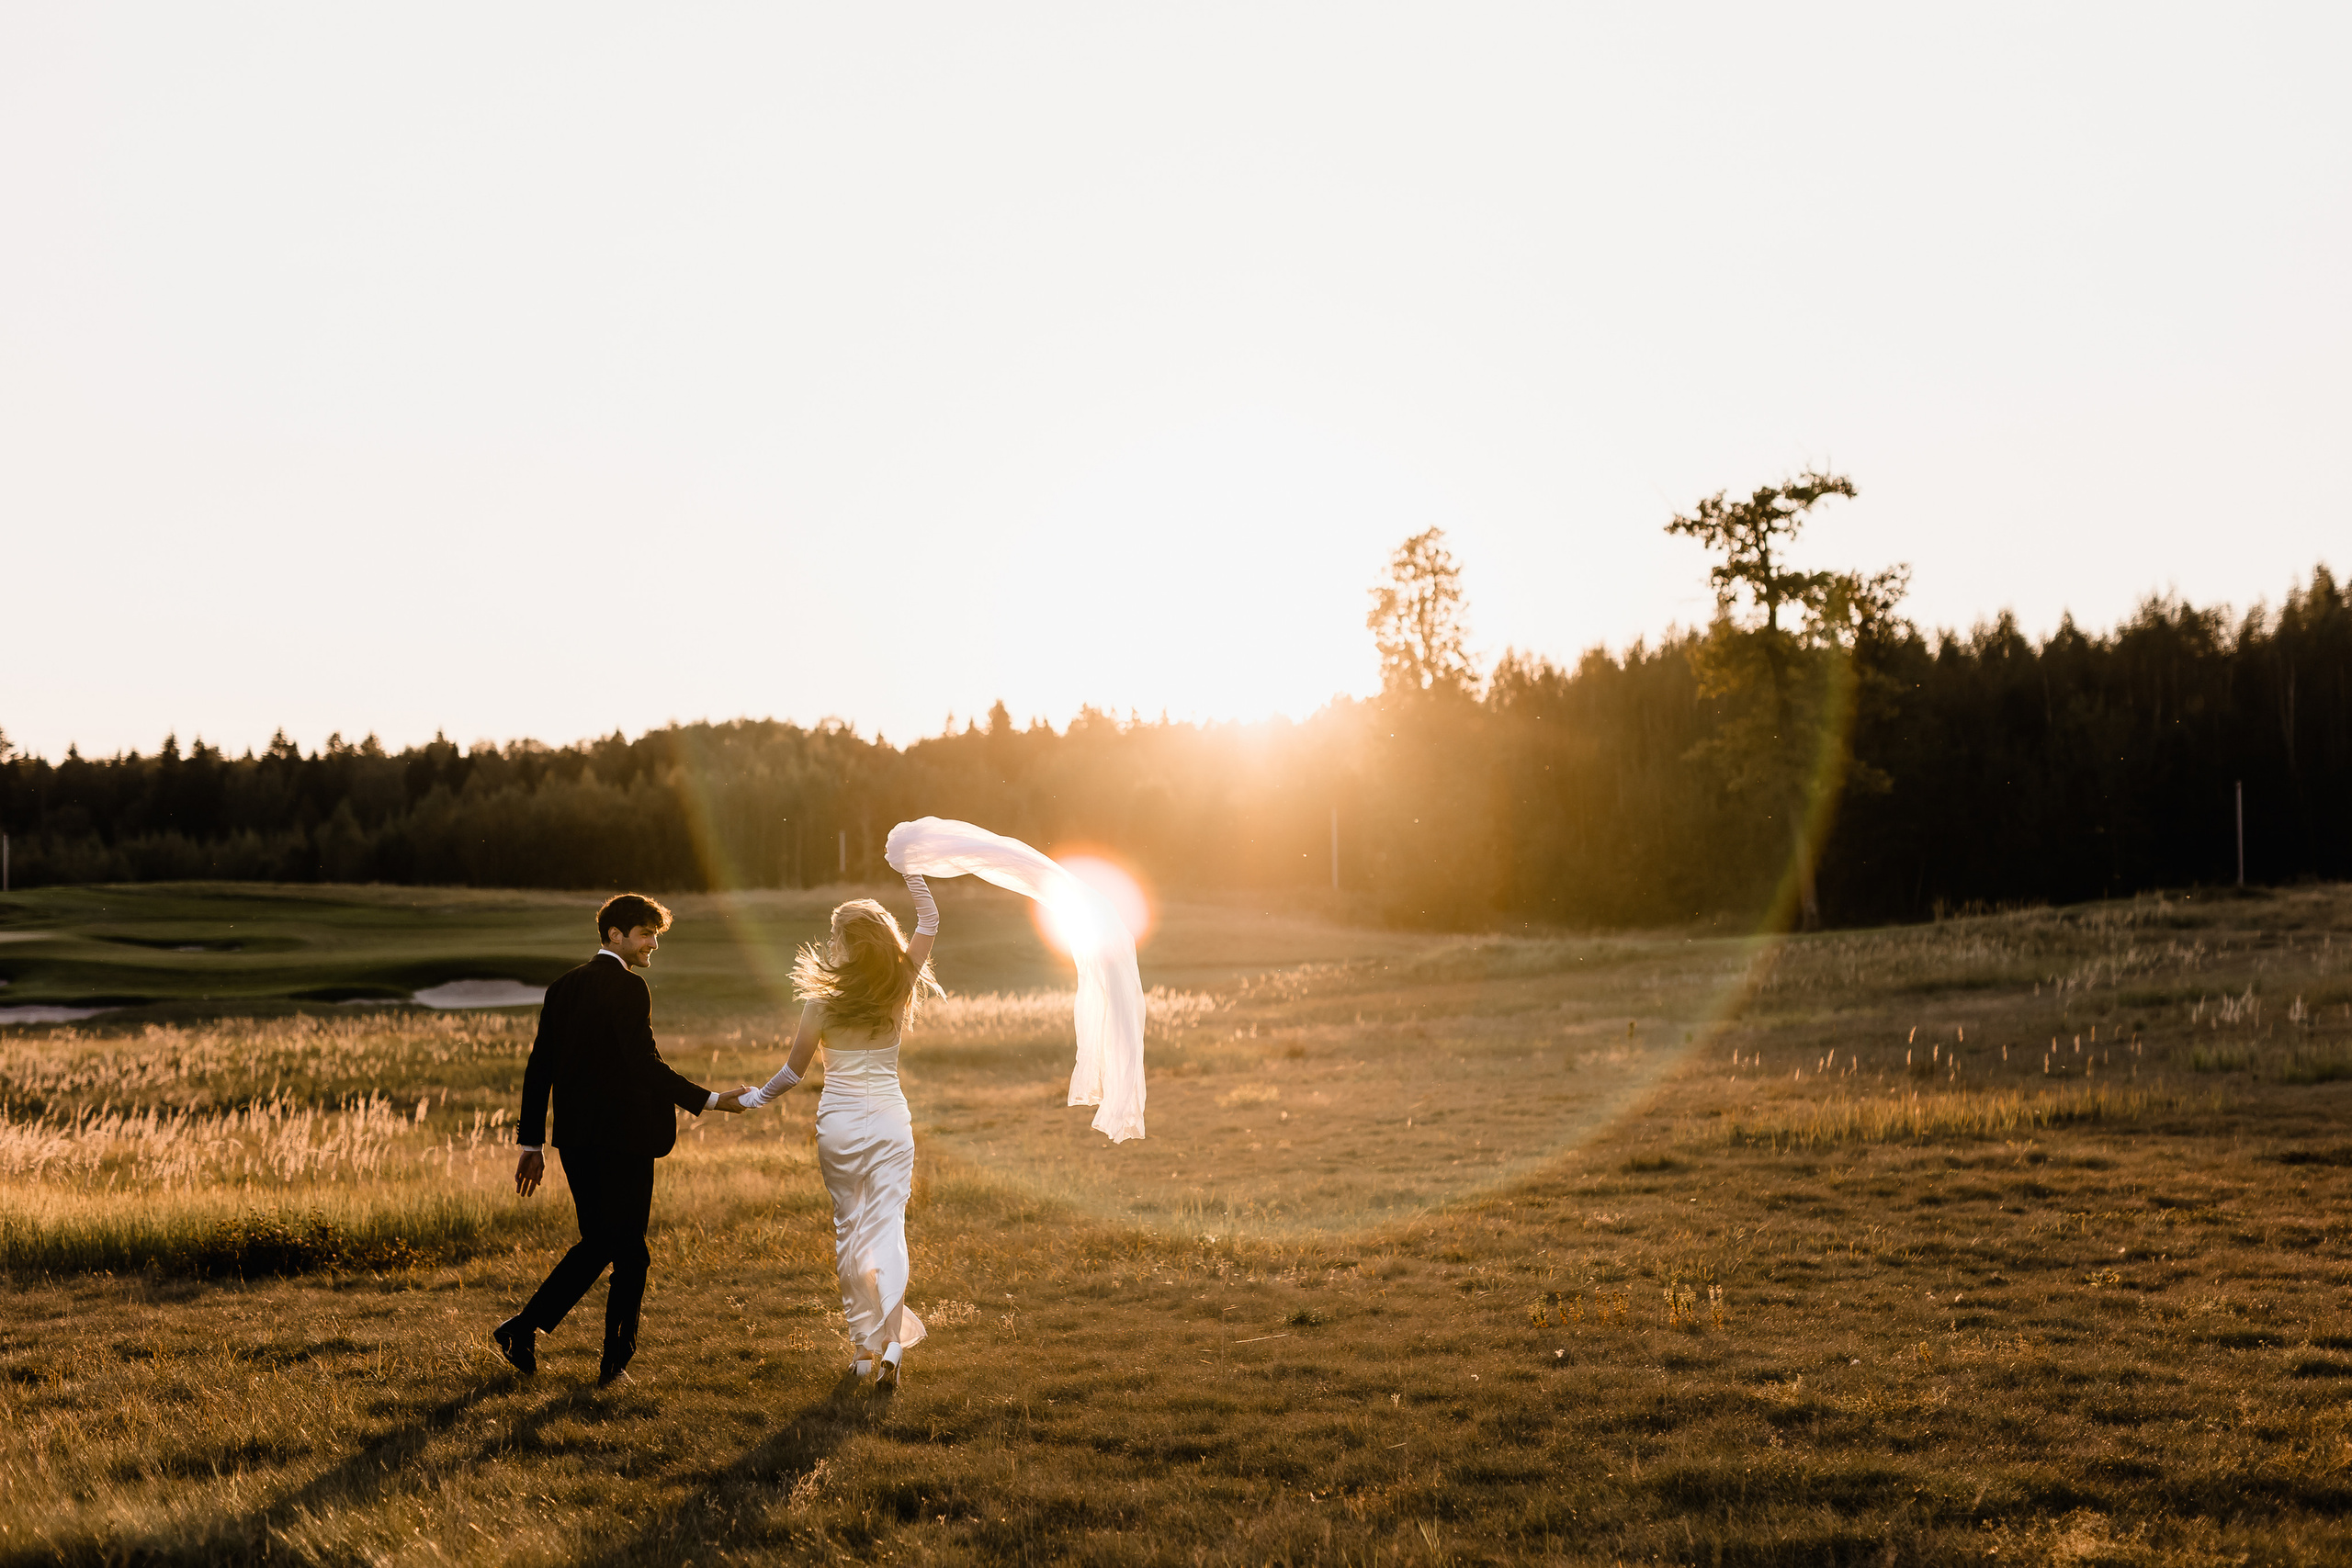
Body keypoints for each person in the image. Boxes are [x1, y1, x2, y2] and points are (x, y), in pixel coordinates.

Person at [492, 893, 741, 1385]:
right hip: (624, 1141)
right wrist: (711, 1100)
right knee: (629, 1252)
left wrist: (532, 1144)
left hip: (575, 1142)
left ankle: (526, 1331)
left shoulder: (562, 987)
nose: (653, 945)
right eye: (646, 934)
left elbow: (538, 1068)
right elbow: (643, 1064)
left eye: (655, 936)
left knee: (603, 1243)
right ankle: (609, 1362)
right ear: (615, 935)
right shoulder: (630, 987)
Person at [718, 870, 942, 1388]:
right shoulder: (900, 984)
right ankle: (891, 1346)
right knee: (888, 1229)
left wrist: (749, 1099)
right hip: (890, 1123)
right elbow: (930, 920)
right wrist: (910, 868)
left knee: (851, 1231)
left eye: (836, 934)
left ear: (846, 942)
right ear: (882, 939)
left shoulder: (821, 1002)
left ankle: (863, 1349)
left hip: (838, 1126)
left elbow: (792, 1073)